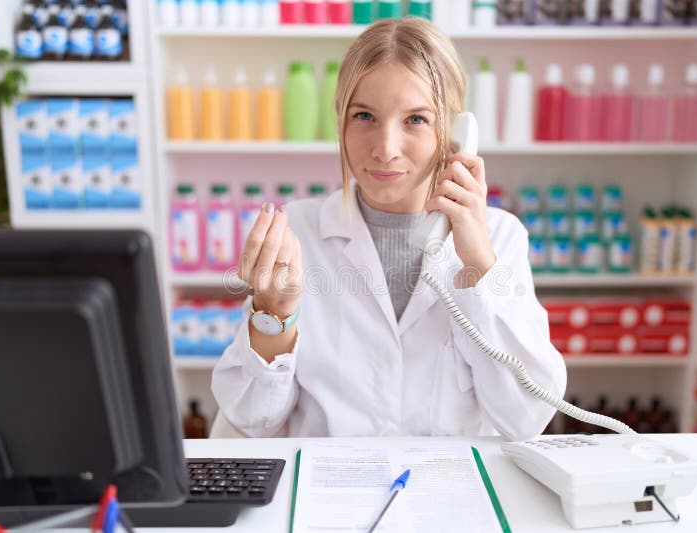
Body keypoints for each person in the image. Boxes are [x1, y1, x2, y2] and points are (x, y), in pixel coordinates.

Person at [212, 17, 566, 439]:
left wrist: (478, 265)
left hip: (451, 493)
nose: (385, 149)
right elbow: (251, 420)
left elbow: (526, 418)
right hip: (329, 493)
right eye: (364, 116)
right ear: (340, 121)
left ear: (453, 132)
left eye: (415, 120)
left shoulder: (501, 237)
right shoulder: (298, 233)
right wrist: (274, 315)